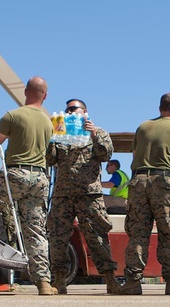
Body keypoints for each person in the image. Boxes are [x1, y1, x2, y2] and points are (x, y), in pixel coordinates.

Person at [0, 77, 56, 295]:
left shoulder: (12, 115)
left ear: (25, 92)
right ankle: (44, 283)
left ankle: (4, 249)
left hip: (16, 175)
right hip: (40, 178)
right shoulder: (49, 122)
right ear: (45, 95)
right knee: (36, 231)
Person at [120, 93, 170, 296]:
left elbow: (135, 156)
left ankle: (133, 281)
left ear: (160, 108)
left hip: (138, 181)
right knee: (169, 232)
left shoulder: (143, 127)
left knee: (138, 233)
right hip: (164, 182)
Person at [46, 99, 121, 295]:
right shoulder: (61, 134)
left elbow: (106, 155)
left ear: (85, 112)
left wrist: (94, 134)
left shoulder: (98, 131)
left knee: (97, 237)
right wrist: (52, 138)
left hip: (89, 194)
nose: (70, 112)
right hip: (63, 195)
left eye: (74, 109)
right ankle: (59, 280)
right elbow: (49, 160)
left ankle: (110, 279)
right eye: (67, 109)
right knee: (58, 238)